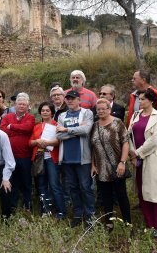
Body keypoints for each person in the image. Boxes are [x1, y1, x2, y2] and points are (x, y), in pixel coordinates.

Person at [128, 88, 157, 238]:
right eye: (139, 99)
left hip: (152, 158)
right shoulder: (135, 115)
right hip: (137, 159)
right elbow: (129, 135)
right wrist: (132, 153)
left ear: (151, 101)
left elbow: (154, 141)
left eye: (143, 99)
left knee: (156, 191)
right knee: (142, 191)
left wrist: (137, 152)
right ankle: (149, 224)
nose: (140, 101)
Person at [90, 98, 131, 228]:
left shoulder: (117, 123)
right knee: (105, 197)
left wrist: (122, 162)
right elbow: (93, 146)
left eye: (103, 108)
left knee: (121, 195)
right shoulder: (94, 125)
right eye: (98, 109)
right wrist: (93, 165)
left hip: (117, 166)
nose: (101, 111)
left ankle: (127, 223)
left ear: (109, 109)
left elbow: (125, 143)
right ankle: (109, 223)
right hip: (101, 168)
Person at [57, 90, 95, 227]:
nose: (70, 101)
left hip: (83, 159)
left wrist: (67, 130)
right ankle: (78, 214)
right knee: (73, 188)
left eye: (73, 98)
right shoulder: (62, 115)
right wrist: (77, 131)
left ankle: (90, 216)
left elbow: (86, 131)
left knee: (86, 188)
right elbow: (58, 136)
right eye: (68, 99)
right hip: (67, 159)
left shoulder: (87, 113)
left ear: (79, 100)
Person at [29, 102, 65, 219]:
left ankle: (60, 212)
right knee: (42, 185)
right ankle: (45, 210)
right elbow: (30, 142)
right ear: (40, 112)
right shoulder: (36, 126)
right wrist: (37, 142)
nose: (45, 112)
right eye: (43, 110)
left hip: (51, 158)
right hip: (39, 158)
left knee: (54, 185)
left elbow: (60, 141)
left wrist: (47, 143)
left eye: (47, 110)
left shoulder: (56, 125)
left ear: (52, 112)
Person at [0, 92, 35, 211]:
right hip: (10, 157)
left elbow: (28, 128)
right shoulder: (7, 117)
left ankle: (28, 206)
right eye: (19, 104)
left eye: (24, 104)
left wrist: (12, 127)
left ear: (28, 105)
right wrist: (17, 129)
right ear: (15, 104)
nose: (21, 106)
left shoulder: (30, 117)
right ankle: (12, 207)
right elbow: (3, 131)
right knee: (12, 182)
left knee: (26, 182)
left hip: (25, 156)